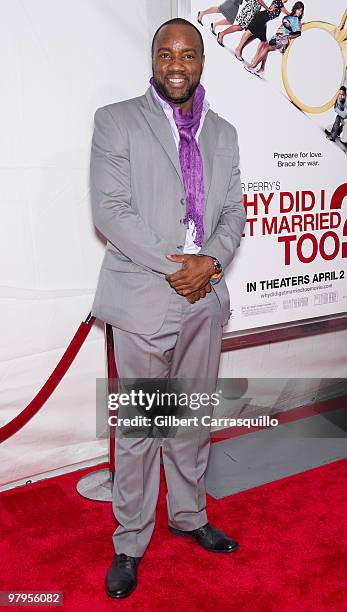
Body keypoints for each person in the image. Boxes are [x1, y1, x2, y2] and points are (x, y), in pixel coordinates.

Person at [90, 18, 247, 599]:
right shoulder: (117, 121)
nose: (176, 65)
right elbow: (111, 212)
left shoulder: (224, 133)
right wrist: (178, 265)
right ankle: (129, 541)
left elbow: (233, 212)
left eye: (187, 55)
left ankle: (189, 515)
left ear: (203, 61)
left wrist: (210, 262)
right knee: (140, 428)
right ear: (153, 59)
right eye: (165, 54)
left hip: (205, 296)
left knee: (191, 419)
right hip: (142, 299)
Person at [244, 1, 304, 76]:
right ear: (295, 9)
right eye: (299, 10)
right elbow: (287, 15)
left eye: (301, 11)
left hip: (282, 39)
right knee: (264, 46)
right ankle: (262, 69)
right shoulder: (292, 17)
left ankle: (253, 66)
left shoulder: (296, 20)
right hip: (277, 37)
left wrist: (288, 36)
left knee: (266, 48)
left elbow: (298, 33)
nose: (300, 12)